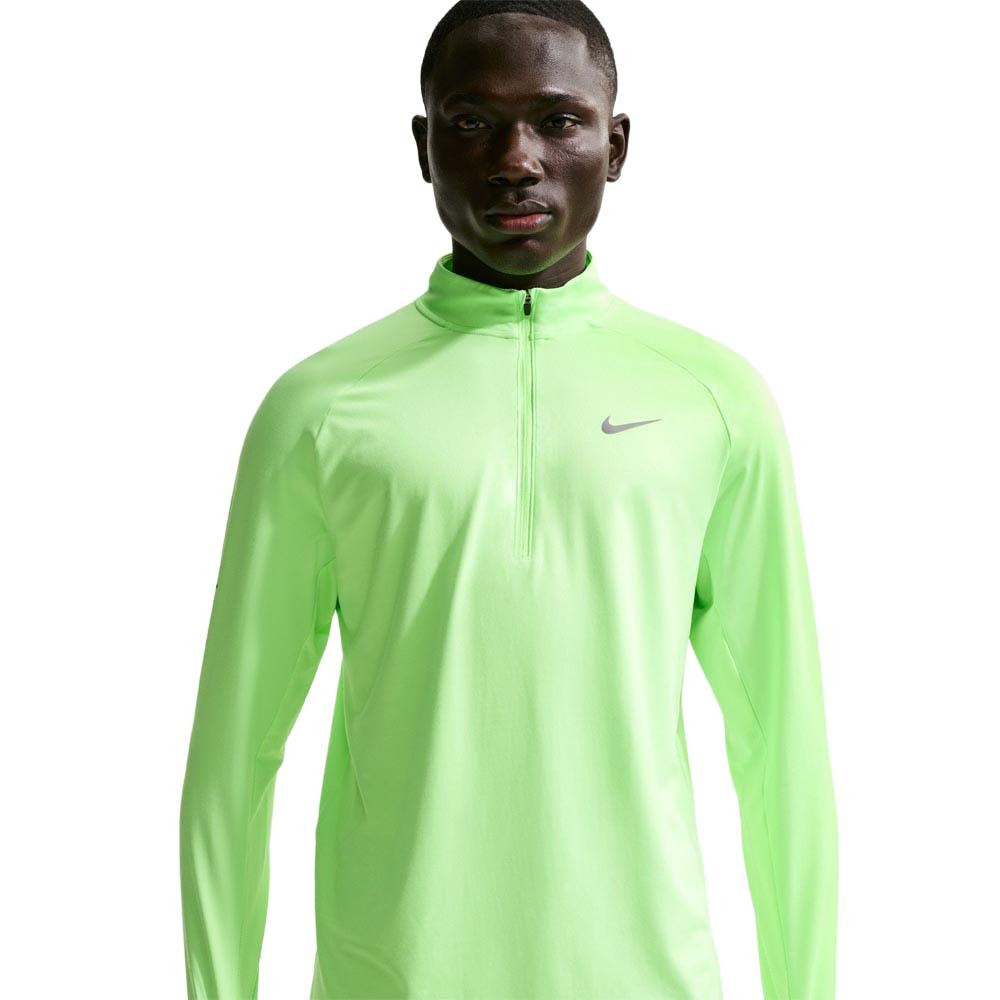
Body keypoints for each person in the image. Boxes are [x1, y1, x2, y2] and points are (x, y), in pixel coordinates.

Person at [179, 2, 839, 998]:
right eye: (472, 122)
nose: (516, 160)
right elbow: (232, 758)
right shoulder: (319, 412)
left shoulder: (713, 402)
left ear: (616, 145)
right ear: (423, 146)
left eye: (558, 120)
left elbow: (781, 745)